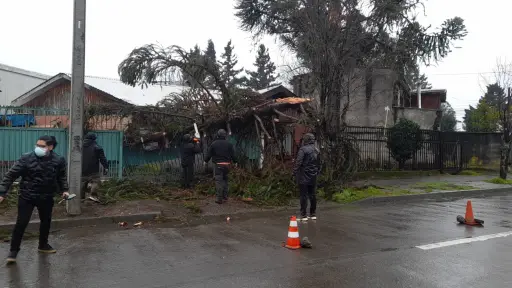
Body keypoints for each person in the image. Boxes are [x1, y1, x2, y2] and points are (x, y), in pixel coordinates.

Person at [0, 135, 69, 264]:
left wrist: (64, 191)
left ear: (50, 147)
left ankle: (43, 245)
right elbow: (10, 175)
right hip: (27, 196)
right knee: (21, 223)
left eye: (42, 146)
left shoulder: (58, 160)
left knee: (46, 222)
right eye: (37, 145)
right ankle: (13, 252)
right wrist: (2, 192)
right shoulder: (26, 158)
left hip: (46, 196)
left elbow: (61, 177)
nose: (38, 148)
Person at [293, 133, 320, 222]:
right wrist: (316, 172)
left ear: (306, 140)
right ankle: (313, 214)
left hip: (303, 175)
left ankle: (303, 215)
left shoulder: (303, 149)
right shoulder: (317, 150)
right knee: (312, 195)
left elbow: (298, 162)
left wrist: (294, 172)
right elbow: (319, 163)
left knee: (303, 196)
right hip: (313, 175)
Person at [204, 129, 235, 204]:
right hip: (227, 165)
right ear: (225, 136)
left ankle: (219, 199)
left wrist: (205, 161)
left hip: (218, 165)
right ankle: (225, 197)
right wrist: (236, 161)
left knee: (218, 182)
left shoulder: (214, 144)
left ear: (218, 135)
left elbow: (209, 154)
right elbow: (233, 155)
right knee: (225, 181)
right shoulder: (229, 144)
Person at [82, 133, 108, 199]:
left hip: (81, 169)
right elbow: (102, 158)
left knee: (82, 182)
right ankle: (93, 196)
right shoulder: (97, 147)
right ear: (94, 139)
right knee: (96, 181)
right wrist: (106, 167)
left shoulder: (79, 147)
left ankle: (81, 198)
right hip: (93, 169)